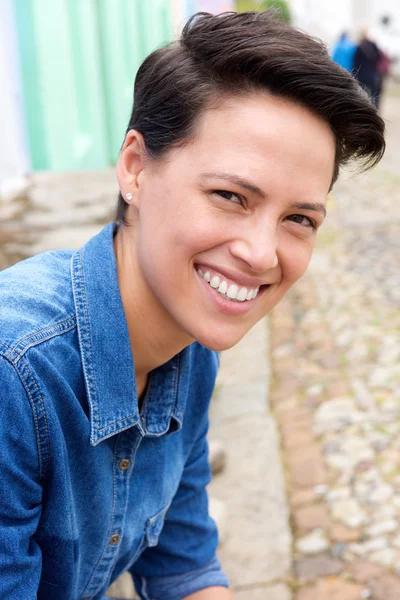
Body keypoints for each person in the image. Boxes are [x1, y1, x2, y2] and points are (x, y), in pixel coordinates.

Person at [0, 10, 385, 600]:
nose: (261, 254)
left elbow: (183, 565)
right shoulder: (15, 376)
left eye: (299, 219)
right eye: (230, 195)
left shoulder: (190, 351)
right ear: (135, 167)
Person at [353, 29, 382, 108]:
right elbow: (379, 57)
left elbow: (356, 62)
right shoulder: (373, 45)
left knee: (361, 93)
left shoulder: (359, 46)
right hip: (371, 73)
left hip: (361, 74)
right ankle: (374, 107)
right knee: (373, 93)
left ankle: (362, 107)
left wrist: (355, 73)